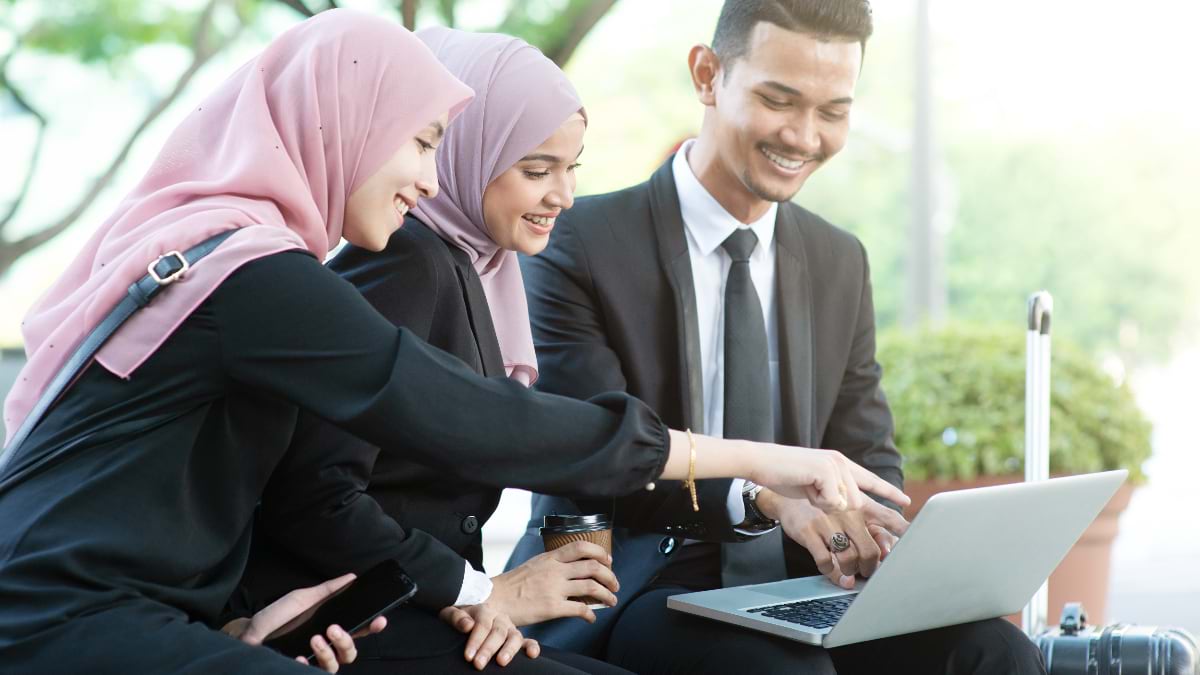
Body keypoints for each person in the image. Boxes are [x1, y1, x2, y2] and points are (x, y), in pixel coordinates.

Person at [0, 9, 905, 674]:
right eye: (421, 142)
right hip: (65, 615)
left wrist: (242, 616)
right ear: (341, 125)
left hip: (136, 609)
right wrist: (763, 461)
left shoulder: (243, 255)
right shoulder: (257, 274)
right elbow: (471, 417)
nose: (433, 180)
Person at [507, 1, 1047, 673]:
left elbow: (866, 449)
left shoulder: (838, 259)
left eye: (833, 111)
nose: (803, 136)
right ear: (707, 75)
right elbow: (599, 457)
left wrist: (873, 526)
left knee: (996, 652)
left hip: (808, 582)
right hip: (646, 583)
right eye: (779, 100)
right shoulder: (580, 244)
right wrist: (763, 497)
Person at [235, 27, 622, 674]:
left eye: (571, 167)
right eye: (536, 170)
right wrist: (479, 592)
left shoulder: (477, 266)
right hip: (348, 622)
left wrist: (476, 602)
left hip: (422, 608)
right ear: (468, 152)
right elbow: (317, 493)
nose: (564, 195)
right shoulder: (406, 260)